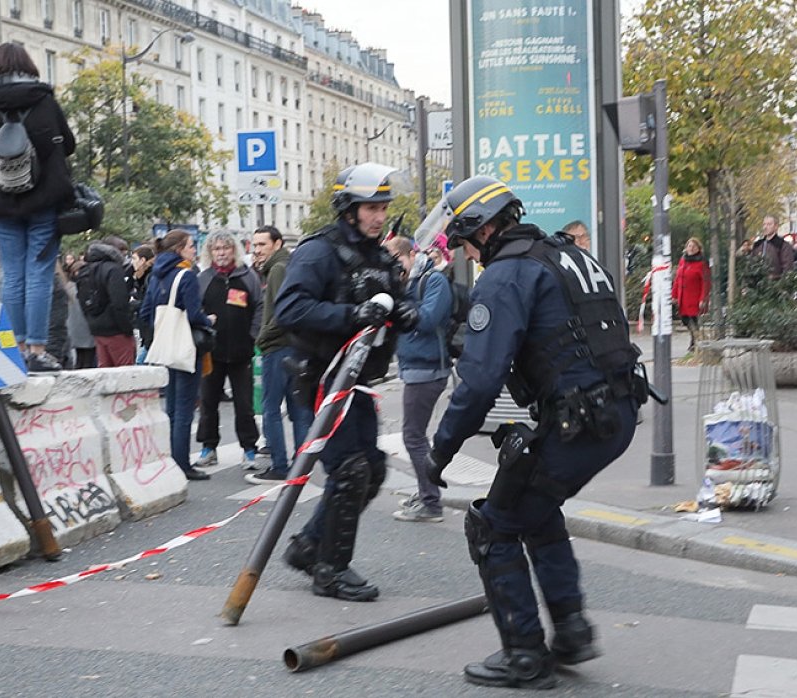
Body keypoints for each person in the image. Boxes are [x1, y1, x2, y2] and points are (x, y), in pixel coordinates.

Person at [427, 175, 643, 689]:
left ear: (482, 229)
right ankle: (571, 631)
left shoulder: (505, 276)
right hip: (616, 412)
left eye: (465, 240)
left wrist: (441, 450)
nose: (468, 253)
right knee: (536, 509)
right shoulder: (567, 255)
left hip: (580, 423)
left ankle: (524, 654)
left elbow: (478, 380)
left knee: (493, 525)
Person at [274, 162, 417, 601]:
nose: (379, 216)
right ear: (349, 209)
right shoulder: (319, 251)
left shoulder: (379, 256)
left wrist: (406, 313)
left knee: (371, 468)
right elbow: (290, 309)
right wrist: (350, 316)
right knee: (351, 470)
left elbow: (395, 299)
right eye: (370, 207)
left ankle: (309, 546)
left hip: (357, 381)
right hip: (322, 379)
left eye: (383, 207)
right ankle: (330, 570)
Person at [0, 42, 76, 372]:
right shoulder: (44, 100)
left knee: (12, 276)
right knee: (40, 274)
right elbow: (67, 144)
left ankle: (14, 347)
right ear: (28, 66)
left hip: (1, 201)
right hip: (44, 200)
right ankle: (38, 349)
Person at [384, 235, 453, 523]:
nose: (393, 268)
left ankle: (431, 501)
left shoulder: (432, 281)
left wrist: (399, 301)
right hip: (415, 367)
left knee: (413, 436)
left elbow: (426, 320)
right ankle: (427, 493)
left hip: (428, 369)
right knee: (416, 434)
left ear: (410, 255)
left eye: (396, 260)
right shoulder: (407, 284)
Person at [140, 230, 214, 481]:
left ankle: (169, 458)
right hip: (184, 347)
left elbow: (145, 312)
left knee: (170, 407)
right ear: (180, 249)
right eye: (192, 246)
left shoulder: (156, 274)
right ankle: (182, 463)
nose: (194, 250)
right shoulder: (187, 275)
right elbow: (194, 315)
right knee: (184, 408)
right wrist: (209, 320)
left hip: (164, 346)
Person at [193, 231, 263, 472]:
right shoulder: (203, 278)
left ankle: (249, 449)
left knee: (244, 404)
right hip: (211, 352)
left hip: (242, 351)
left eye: (225, 248)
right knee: (209, 402)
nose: (221, 253)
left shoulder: (248, 276)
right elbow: (195, 310)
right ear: (210, 252)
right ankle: (208, 447)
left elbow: (260, 307)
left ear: (234, 250)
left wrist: (253, 335)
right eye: (216, 249)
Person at [249, 225, 314, 483]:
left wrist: (263, 337)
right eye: (254, 246)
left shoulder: (277, 269)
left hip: (277, 346)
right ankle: (301, 466)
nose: (257, 250)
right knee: (297, 409)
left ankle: (279, 465)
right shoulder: (290, 264)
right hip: (296, 346)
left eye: (262, 245)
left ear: (276, 244)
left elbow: (281, 312)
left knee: (271, 408)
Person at [77, 241, 136, 367]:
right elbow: (119, 303)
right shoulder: (113, 270)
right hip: (116, 329)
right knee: (124, 373)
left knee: (104, 370)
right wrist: (127, 328)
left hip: (96, 328)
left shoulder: (84, 270)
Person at [671, 237, 711, 353]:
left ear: (699, 248)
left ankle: (695, 343)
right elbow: (678, 279)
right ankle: (696, 340)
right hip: (683, 297)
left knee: (694, 320)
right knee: (685, 319)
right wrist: (674, 295)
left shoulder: (702, 263)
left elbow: (706, 282)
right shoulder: (683, 260)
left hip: (695, 297)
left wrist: (703, 298)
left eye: (694, 246)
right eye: (689, 246)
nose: (691, 248)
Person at [129, 245, 154, 363]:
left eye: (134, 258)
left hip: (151, 331)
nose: (131, 262)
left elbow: (151, 303)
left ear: (143, 260)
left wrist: (134, 304)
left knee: (140, 364)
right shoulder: (141, 277)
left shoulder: (150, 277)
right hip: (146, 332)